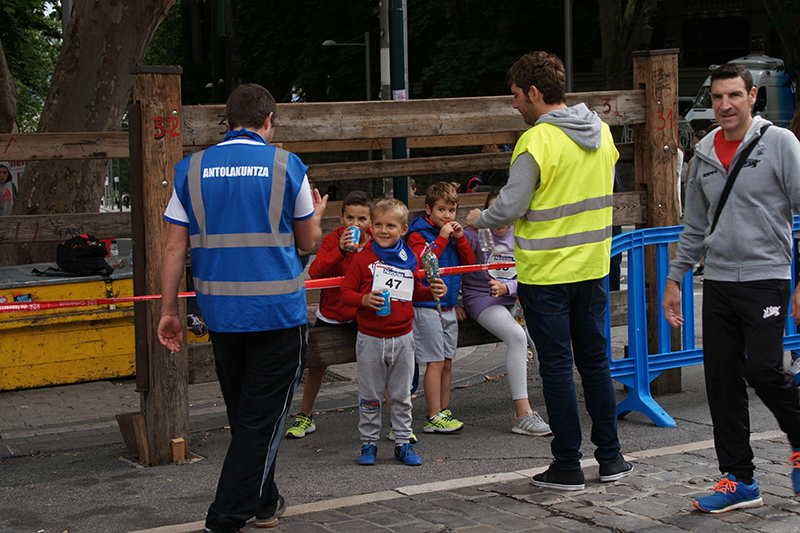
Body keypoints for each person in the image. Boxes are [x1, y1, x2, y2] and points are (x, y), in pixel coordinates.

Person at [157, 83, 326, 533]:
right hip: (277, 314)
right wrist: (320, 216)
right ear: (269, 120)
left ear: (227, 121)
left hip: (222, 314)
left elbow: (174, 248)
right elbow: (308, 242)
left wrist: (168, 309)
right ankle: (224, 519)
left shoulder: (190, 170)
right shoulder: (287, 166)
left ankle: (266, 502)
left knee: (248, 417)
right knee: (259, 422)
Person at [466, 51, 632, 491]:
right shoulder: (601, 130)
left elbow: (512, 204)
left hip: (545, 274)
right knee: (596, 362)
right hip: (593, 266)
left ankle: (567, 466)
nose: (514, 104)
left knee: (557, 368)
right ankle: (612, 459)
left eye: (517, 96)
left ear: (535, 93)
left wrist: (477, 220)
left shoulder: (536, 141)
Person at [662, 63, 800, 513]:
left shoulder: (779, 144)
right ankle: (739, 479)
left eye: (734, 96)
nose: (725, 105)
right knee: (721, 379)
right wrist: (673, 279)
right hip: (719, 282)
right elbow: (694, 225)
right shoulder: (702, 152)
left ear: (753, 96)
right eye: (718, 97)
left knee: (762, 370)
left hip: (767, 278)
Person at [339, 198, 447, 466]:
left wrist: (433, 291)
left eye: (391, 225)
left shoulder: (408, 258)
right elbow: (345, 294)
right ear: (371, 228)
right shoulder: (363, 258)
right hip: (370, 338)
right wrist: (364, 300)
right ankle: (369, 444)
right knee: (370, 395)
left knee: (401, 395)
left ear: (404, 229)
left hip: (403, 337)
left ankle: (402, 442)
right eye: (378, 224)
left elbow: (412, 292)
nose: (384, 230)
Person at [458, 188, 551, 437]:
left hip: (517, 297)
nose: (500, 220)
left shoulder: (522, 233)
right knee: (517, 337)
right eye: (493, 213)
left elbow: (533, 273)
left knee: (544, 335)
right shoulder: (474, 234)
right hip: (483, 299)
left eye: (505, 213)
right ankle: (522, 414)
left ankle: (556, 399)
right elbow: (452, 261)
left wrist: (508, 286)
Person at [285, 190, 373, 439]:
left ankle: (392, 420)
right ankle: (305, 416)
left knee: (376, 364)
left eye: (362, 219)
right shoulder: (332, 240)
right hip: (332, 313)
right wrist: (342, 251)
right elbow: (316, 273)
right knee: (317, 365)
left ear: (370, 220)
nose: (355, 224)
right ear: (341, 218)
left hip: (363, 313)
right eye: (350, 218)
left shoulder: (378, 241)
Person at [407, 182, 475, 433]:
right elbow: (422, 262)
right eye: (441, 210)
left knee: (447, 361)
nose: (447, 216)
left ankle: (443, 410)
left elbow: (469, 263)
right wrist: (443, 237)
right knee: (434, 361)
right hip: (425, 305)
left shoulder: (455, 233)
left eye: (451, 211)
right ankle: (433, 415)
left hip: (447, 307)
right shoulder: (418, 233)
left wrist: (460, 239)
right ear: (428, 210)